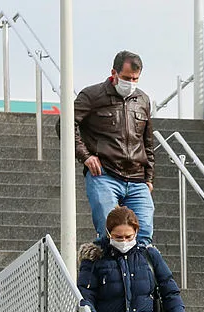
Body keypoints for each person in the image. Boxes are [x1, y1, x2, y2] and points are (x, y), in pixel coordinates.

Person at [73, 50, 156, 244]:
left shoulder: (143, 100)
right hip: (104, 174)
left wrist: (149, 178)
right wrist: (85, 156)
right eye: (127, 78)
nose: (131, 83)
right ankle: (106, 272)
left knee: (143, 236)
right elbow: (66, 123)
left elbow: (147, 142)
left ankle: (140, 274)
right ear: (114, 73)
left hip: (137, 178)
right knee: (109, 234)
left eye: (136, 79)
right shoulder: (92, 95)